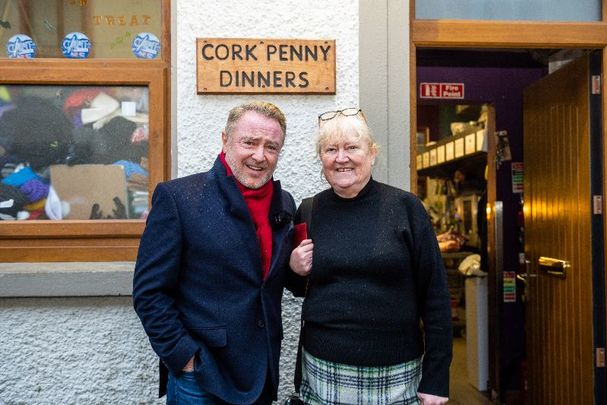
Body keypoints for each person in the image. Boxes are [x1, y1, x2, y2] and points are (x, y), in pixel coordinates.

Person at [133, 101, 296, 404]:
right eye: (249, 142)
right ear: (225, 139)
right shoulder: (179, 198)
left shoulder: (284, 202)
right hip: (202, 379)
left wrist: (295, 267)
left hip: (261, 376)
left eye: (271, 147)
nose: (260, 156)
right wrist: (185, 358)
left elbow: (266, 279)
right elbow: (149, 293)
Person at [289, 108, 452, 405]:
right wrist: (294, 269)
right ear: (321, 158)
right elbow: (300, 288)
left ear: (372, 153)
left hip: (396, 375)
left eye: (352, 147)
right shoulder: (309, 210)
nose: (341, 158)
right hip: (323, 371)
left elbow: (436, 296)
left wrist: (437, 377)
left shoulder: (406, 208)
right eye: (331, 149)